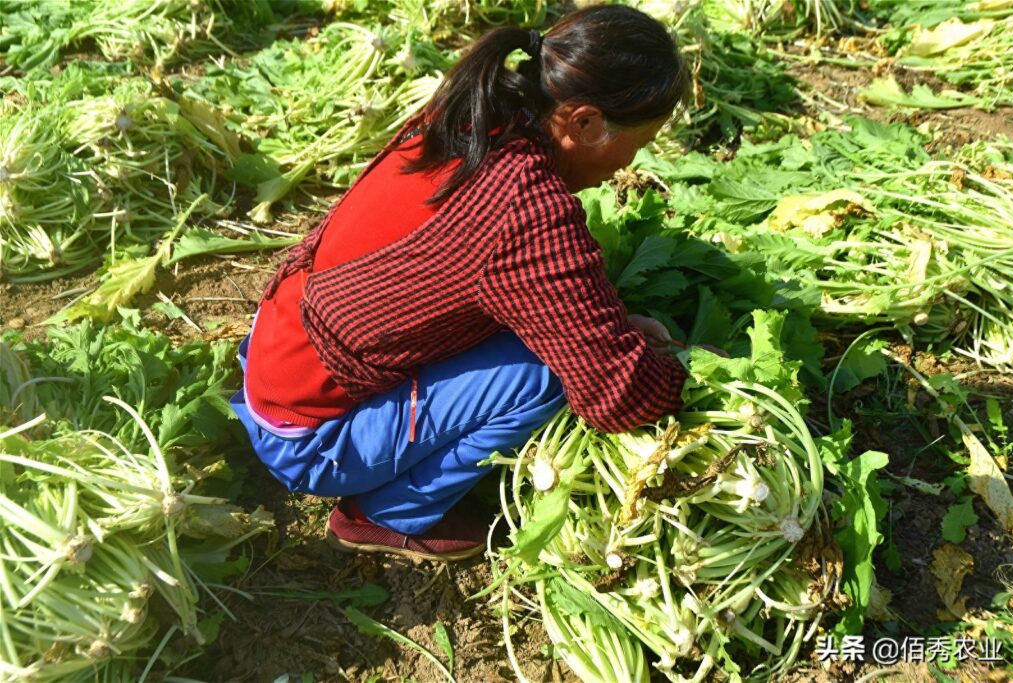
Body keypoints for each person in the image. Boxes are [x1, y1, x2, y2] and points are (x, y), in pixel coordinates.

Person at [229, 4, 691, 562]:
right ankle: (387, 513)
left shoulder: (475, 110)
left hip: (276, 350)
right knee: (545, 375)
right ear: (585, 122)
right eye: (637, 146)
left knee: (550, 338)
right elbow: (615, 395)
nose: (628, 164)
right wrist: (681, 368)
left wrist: (609, 324)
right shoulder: (527, 210)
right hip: (306, 436)